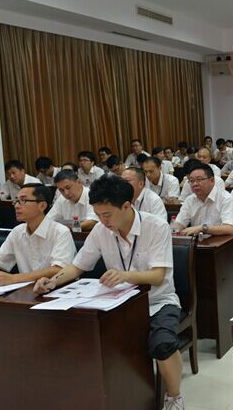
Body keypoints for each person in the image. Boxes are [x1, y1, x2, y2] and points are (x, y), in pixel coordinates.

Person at [33, 175, 185, 410]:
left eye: (107, 215)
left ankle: (174, 398)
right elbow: (77, 267)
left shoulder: (156, 226)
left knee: (162, 344)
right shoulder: (100, 231)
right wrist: (52, 282)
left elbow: (158, 276)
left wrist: (125, 276)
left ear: (126, 206)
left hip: (157, 302)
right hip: (118, 306)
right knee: (82, 340)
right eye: (98, 215)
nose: (102, 221)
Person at [0, 184, 75, 285]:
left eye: (23, 200)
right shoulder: (17, 232)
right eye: (16, 201)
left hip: (56, 288)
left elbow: (58, 269)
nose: (16, 206)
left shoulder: (60, 232)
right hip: (26, 289)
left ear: (42, 206)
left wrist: (14, 278)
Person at [176, 163, 233, 236]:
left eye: (199, 179)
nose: (195, 184)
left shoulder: (226, 199)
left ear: (212, 180)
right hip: (198, 241)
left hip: (223, 241)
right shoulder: (190, 200)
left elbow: (230, 228)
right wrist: (173, 230)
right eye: (191, 181)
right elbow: (179, 223)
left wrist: (202, 228)